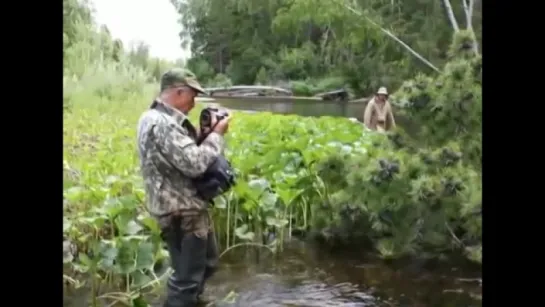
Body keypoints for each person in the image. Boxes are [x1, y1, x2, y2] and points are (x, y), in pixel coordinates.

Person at [136, 68, 231, 307]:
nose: (194, 102)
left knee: (207, 264)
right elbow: (196, 164)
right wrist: (216, 136)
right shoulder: (162, 123)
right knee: (185, 282)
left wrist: (201, 136)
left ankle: (191, 302)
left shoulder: (155, 118)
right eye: (192, 95)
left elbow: (179, 156)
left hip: (186, 207)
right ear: (179, 92)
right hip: (181, 212)